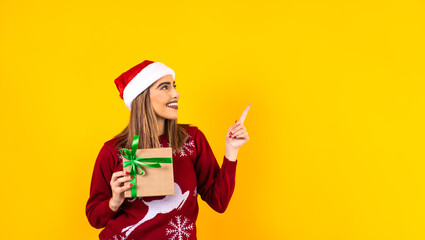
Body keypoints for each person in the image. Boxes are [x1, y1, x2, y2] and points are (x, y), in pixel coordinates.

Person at [86, 60, 250, 240]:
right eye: (165, 87)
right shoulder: (114, 150)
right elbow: (95, 218)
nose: (176, 94)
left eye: (174, 86)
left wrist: (231, 151)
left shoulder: (192, 140)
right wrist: (115, 200)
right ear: (142, 97)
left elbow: (218, 201)